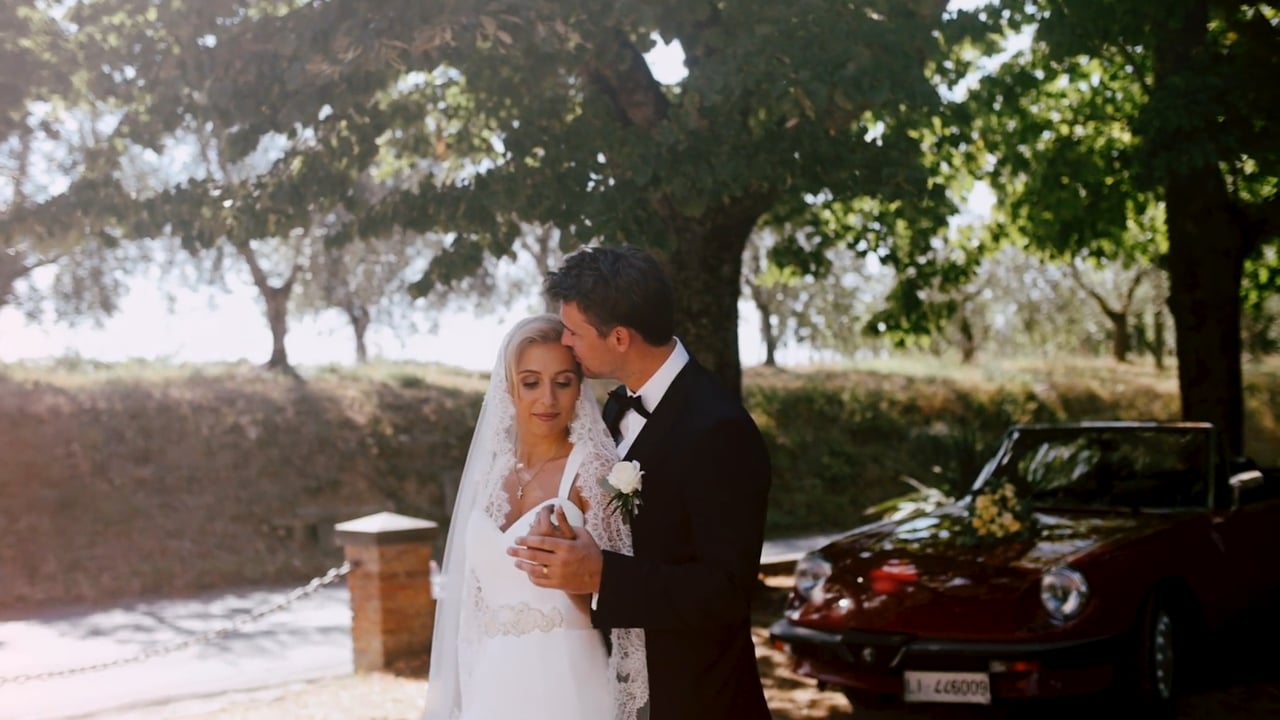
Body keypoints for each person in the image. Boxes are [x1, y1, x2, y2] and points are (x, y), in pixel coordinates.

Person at [509, 246, 773, 719]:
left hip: (696, 698)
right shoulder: (612, 410)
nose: (565, 341)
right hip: (612, 686)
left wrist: (603, 576)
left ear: (620, 338)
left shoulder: (720, 430)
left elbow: (725, 592)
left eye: (574, 331)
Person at [422, 314, 648, 720]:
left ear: (579, 388)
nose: (547, 399)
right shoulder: (491, 475)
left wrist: (572, 574)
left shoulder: (594, 469)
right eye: (531, 382)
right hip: (493, 687)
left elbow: (626, 604)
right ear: (509, 387)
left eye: (562, 382)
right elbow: (470, 608)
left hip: (568, 686)